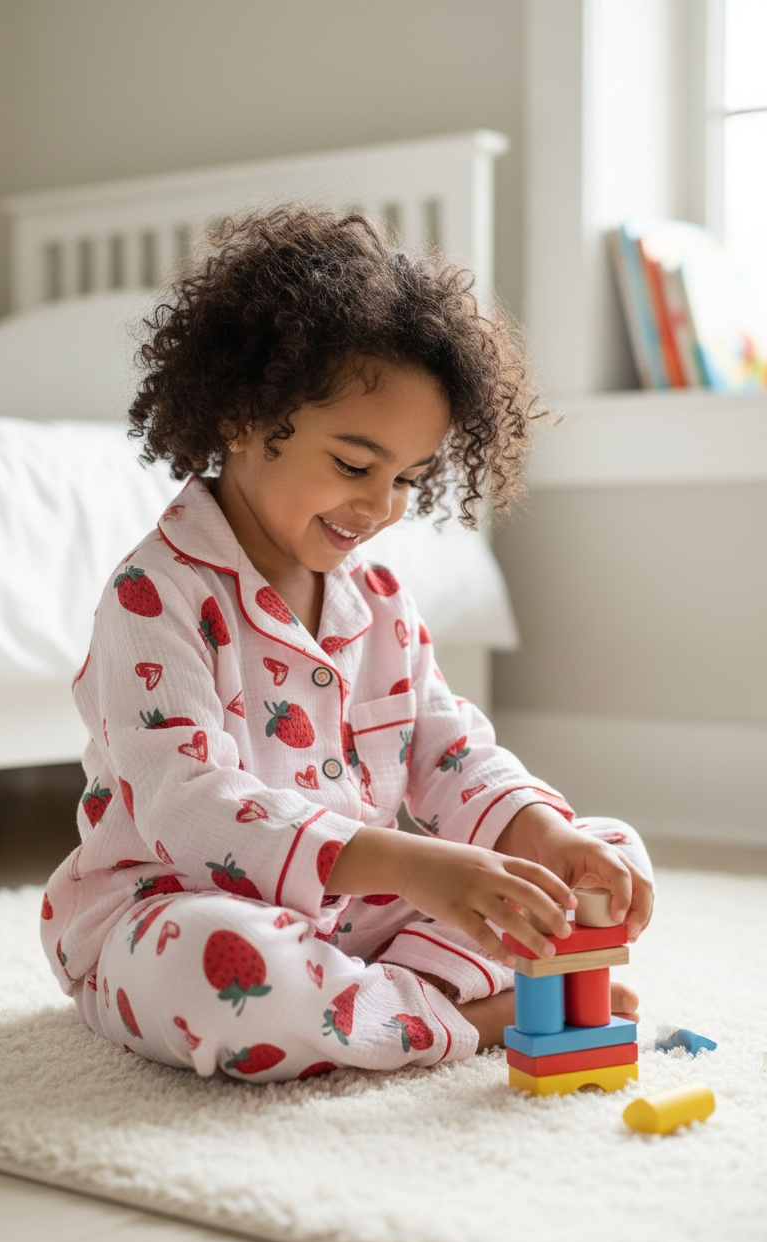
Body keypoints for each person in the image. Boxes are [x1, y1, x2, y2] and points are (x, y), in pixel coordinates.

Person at [40, 205, 654, 1082]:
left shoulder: (382, 602)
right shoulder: (156, 593)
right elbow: (189, 802)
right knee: (216, 969)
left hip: (360, 919)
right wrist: (412, 864)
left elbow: (450, 754)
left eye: (407, 478)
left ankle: (386, 1007)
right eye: (355, 465)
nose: (382, 507)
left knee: (597, 854)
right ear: (246, 416)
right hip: (171, 910)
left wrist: (537, 835)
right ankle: (468, 1019)